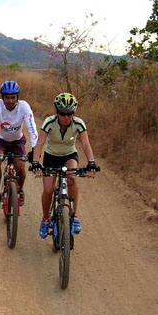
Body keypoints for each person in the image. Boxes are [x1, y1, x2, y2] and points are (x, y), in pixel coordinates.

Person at [30, 92, 98, 238]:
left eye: (69, 114)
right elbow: (40, 143)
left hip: (69, 155)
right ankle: (45, 219)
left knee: (72, 178)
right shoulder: (49, 122)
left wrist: (91, 162)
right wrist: (35, 162)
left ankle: (74, 216)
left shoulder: (79, 123)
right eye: (62, 113)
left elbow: (85, 144)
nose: (66, 117)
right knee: (48, 190)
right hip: (51, 156)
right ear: (57, 112)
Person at [0, 80, 39, 209]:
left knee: (20, 165)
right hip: (0, 139)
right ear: (2, 98)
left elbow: (32, 127)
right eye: (7, 98)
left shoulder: (24, 106)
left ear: (17, 97)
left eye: (13, 97)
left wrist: (35, 149)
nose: (10, 101)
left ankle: (20, 190)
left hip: (17, 140)